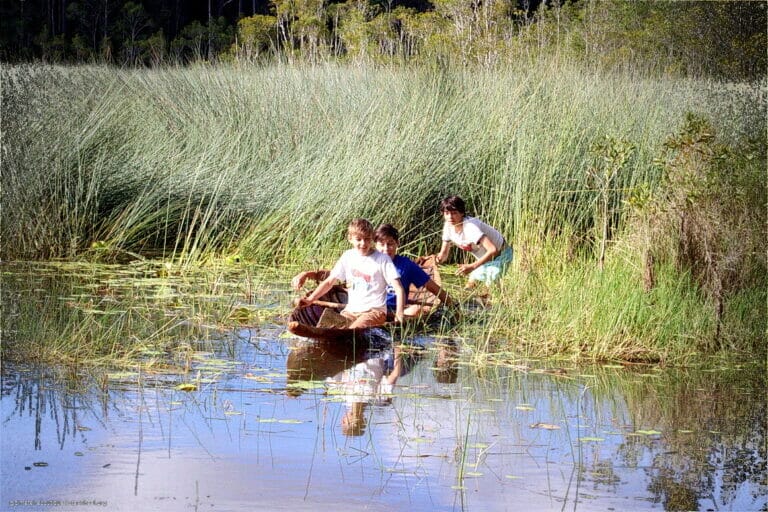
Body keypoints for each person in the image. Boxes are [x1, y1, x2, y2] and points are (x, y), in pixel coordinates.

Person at [293, 223, 454, 319]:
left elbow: (433, 288)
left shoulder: (406, 265)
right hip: (364, 307)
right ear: (374, 244)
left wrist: (453, 306)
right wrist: (307, 274)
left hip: (391, 310)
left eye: (390, 244)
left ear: (397, 244)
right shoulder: (367, 259)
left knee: (416, 310)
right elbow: (332, 277)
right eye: (381, 244)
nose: (386, 249)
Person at [297, 218, 405, 328]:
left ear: (372, 238)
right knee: (327, 327)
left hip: (374, 312)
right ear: (350, 239)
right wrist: (310, 299)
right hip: (351, 311)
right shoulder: (348, 256)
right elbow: (329, 282)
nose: (363, 243)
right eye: (358, 239)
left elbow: (399, 289)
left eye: (367, 239)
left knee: (352, 330)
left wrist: (399, 314)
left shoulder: (382, 259)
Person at [435, 195, 513, 288]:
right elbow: (443, 254)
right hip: (484, 260)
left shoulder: (470, 227)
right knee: (470, 285)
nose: (450, 217)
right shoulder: (448, 226)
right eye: (447, 213)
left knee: (491, 284)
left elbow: (493, 250)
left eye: (454, 213)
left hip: (501, 255)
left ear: (462, 213)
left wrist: (472, 266)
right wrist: (435, 260)